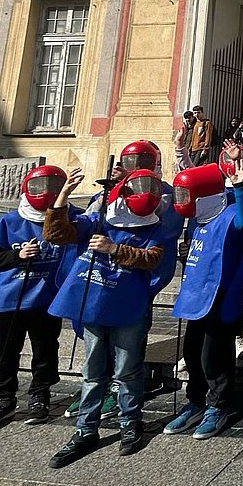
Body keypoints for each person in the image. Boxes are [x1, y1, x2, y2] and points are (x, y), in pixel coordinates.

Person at [45, 167, 167, 466]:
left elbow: (153, 259)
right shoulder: (97, 220)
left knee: (127, 370)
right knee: (93, 372)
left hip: (129, 307)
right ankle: (86, 430)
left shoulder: (154, 227)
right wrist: (63, 195)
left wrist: (114, 249)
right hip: (95, 304)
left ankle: (130, 422)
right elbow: (56, 233)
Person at [164, 150, 243, 441]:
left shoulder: (228, 214)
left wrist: (240, 187)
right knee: (191, 352)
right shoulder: (199, 219)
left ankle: (218, 405)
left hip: (221, 296)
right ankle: (195, 400)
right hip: (195, 296)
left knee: (213, 356)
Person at [0, 166, 69, 430]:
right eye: (41, 186)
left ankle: (41, 394)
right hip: (10, 299)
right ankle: (4, 398)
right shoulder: (3, 225)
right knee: (6, 353)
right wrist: (17, 256)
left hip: (45, 298)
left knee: (45, 350)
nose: (46, 191)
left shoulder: (65, 218)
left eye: (53, 186)